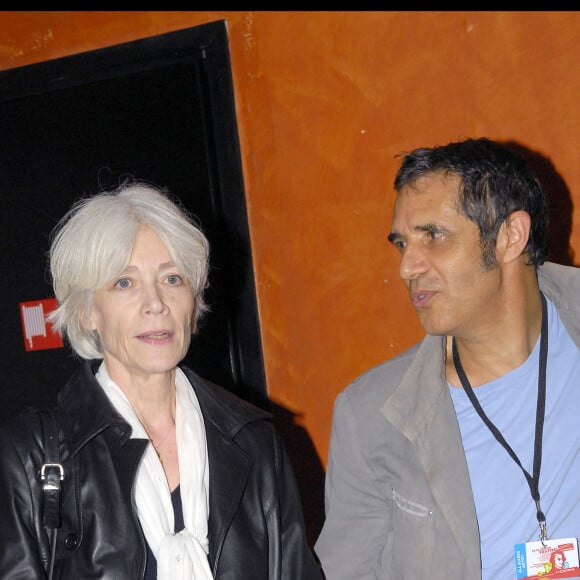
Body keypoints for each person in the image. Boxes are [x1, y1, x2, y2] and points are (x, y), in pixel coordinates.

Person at [0, 181, 324, 580]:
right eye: (125, 282)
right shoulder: (29, 458)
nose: (156, 303)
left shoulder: (255, 444)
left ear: (194, 300)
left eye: (172, 279)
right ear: (86, 313)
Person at [315, 137, 580, 579]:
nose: (406, 267)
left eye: (433, 236)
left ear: (510, 236)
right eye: (402, 244)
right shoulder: (370, 416)